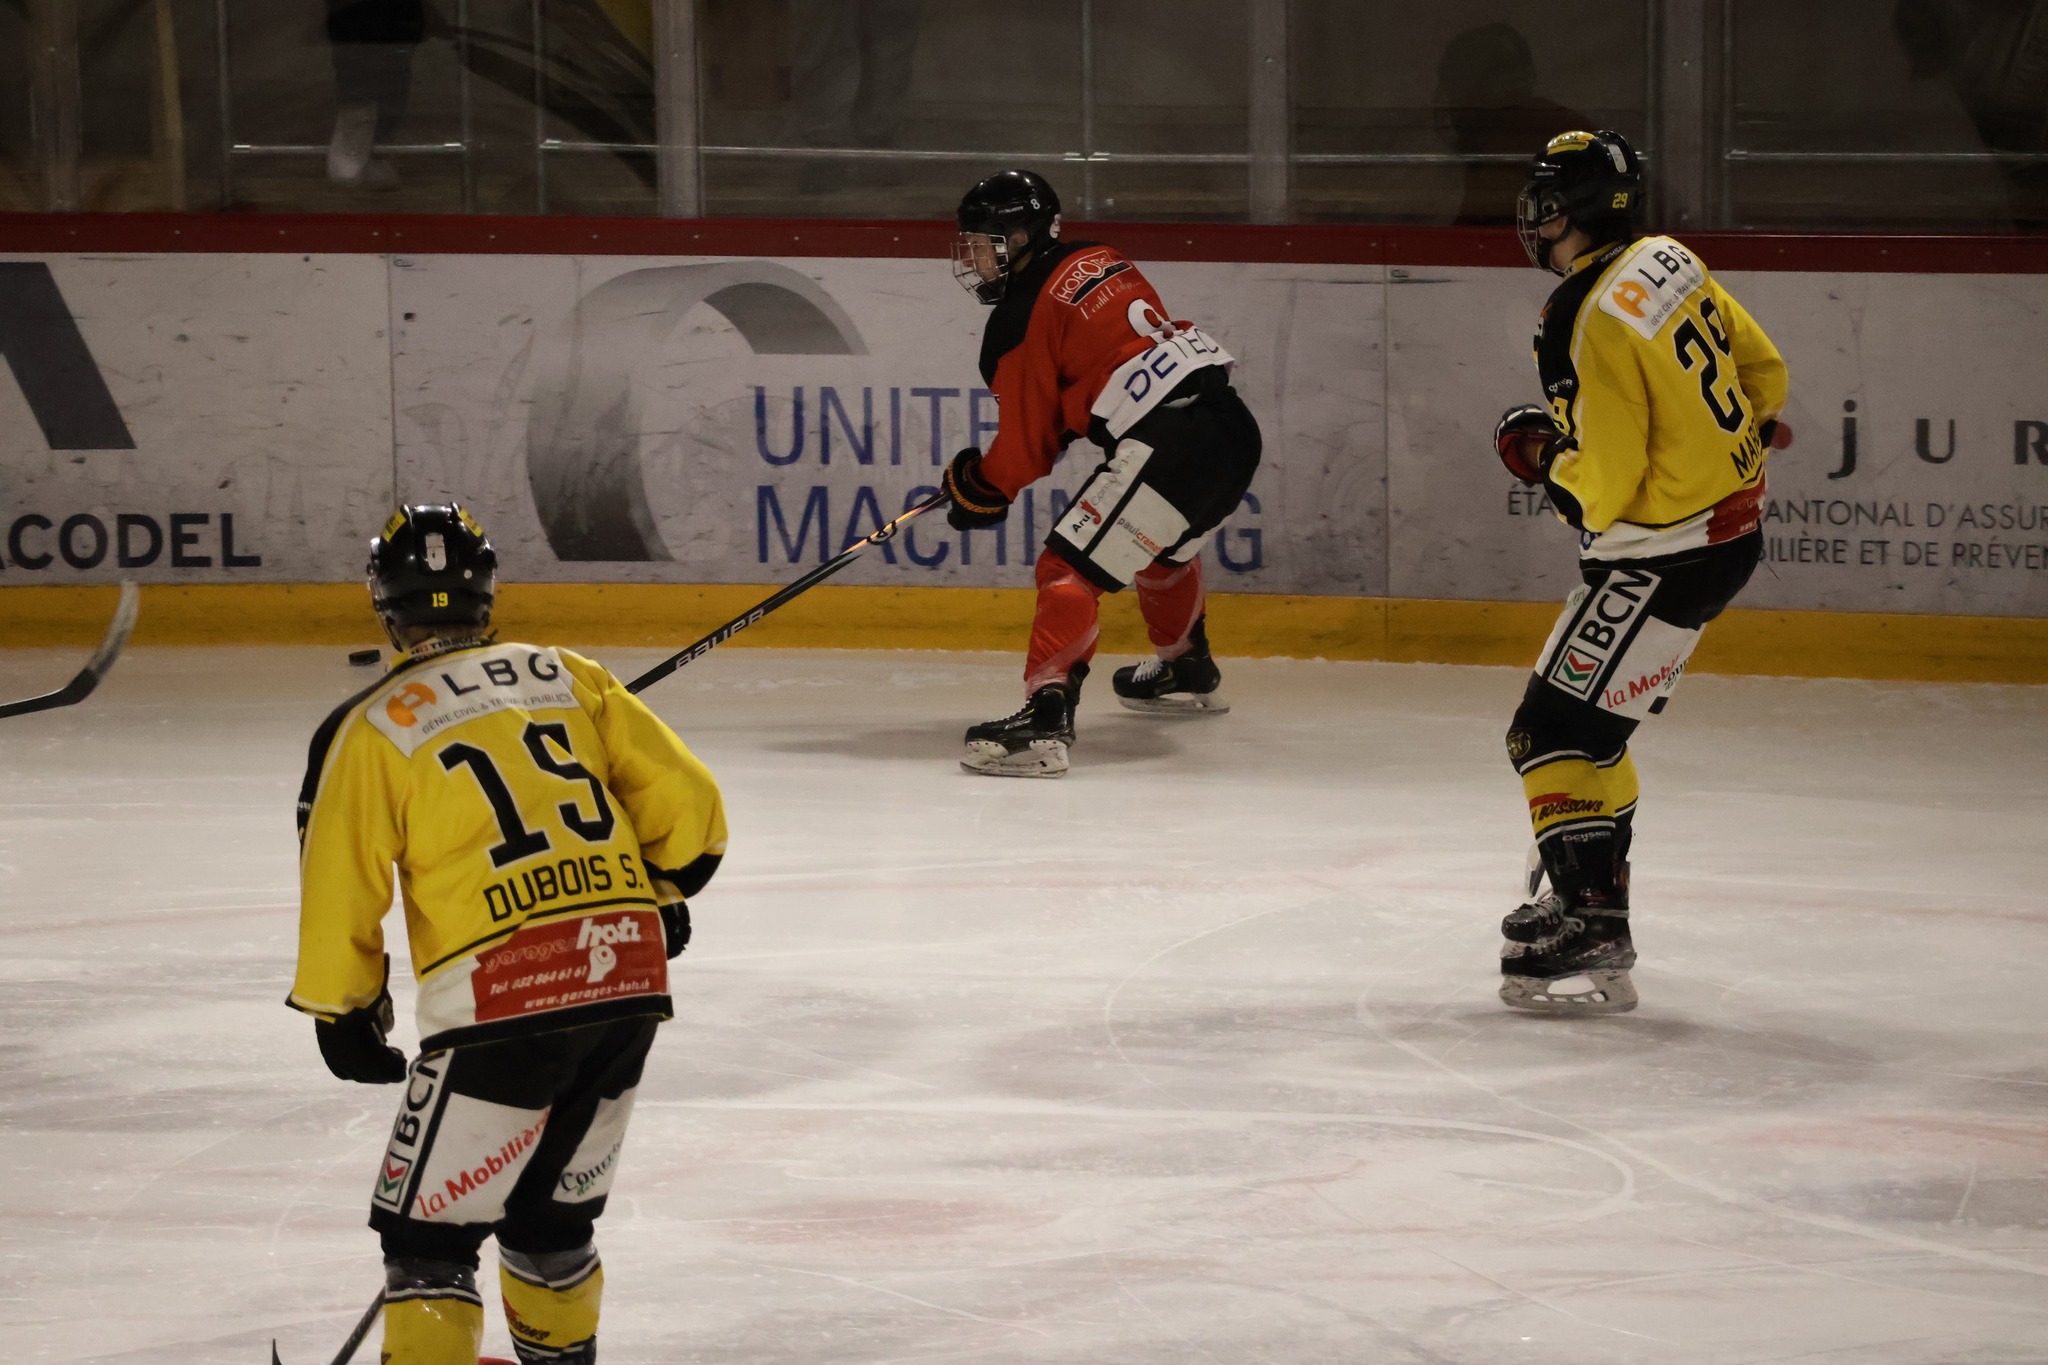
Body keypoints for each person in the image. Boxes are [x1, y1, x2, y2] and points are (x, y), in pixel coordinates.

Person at [288, 504, 727, 1363]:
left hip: (502, 1000)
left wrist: (342, 1009)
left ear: (384, 601)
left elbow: (341, 877)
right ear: (486, 592)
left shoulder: (367, 725)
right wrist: (657, 888)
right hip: (626, 977)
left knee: (429, 1244)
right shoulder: (568, 674)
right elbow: (692, 817)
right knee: (549, 1226)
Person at [1491, 130, 1788, 1014]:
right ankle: (1588, 896)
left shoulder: (1578, 314)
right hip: (1726, 536)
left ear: (1575, 210)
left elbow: (1608, 483)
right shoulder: (1667, 258)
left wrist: (1544, 460)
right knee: (1595, 737)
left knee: (1546, 736)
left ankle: (1591, 918)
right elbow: (1763, 374)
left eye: (1547, 200)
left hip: (1661, 558)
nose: (1536, 218)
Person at [943, 169, 1263, 778]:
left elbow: (1026, 449)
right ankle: (1185, 665)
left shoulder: (1015, 321)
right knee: (1160, 552)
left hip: (1171, 445)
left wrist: (980, 487)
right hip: (1231, 430)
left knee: (1066, 570)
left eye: (983, 244)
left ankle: (1044, 722)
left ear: (1021, 237)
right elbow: (1106, 363)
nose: (974, 259)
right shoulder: (1100, 257)